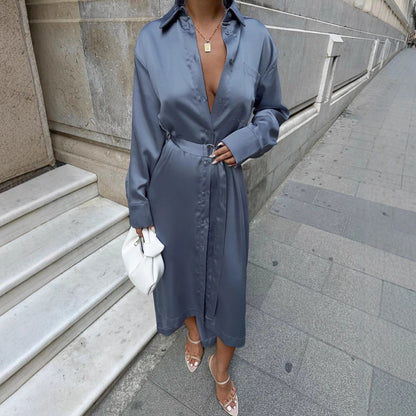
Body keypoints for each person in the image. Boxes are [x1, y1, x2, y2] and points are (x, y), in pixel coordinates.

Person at [125, 0, 290, 414]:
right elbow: (144, 129)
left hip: (227, 180)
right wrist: (138, 202)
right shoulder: (152, 40)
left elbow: (273, 109)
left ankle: (222, 368)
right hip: (172, 181)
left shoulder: (257, 38)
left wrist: (248, 139)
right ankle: (194, 334)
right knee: (179, 266)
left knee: (230, 279)